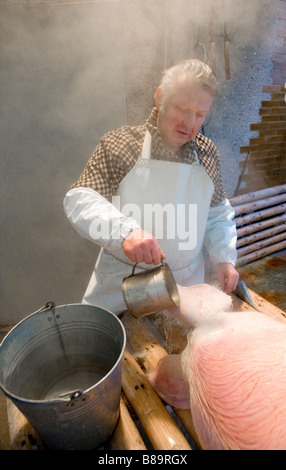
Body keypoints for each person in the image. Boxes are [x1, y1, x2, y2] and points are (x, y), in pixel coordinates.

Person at [64, 59, 239, 314]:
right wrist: (124, 232)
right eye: (182, 108)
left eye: (200, 114)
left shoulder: (207, 152)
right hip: (121, 287)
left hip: (184, 290)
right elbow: (80, 199)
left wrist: (223, 258)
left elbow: (217, 212)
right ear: (160, 98)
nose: (189, 123)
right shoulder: (120, 144)